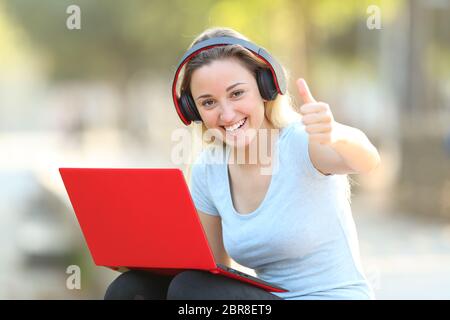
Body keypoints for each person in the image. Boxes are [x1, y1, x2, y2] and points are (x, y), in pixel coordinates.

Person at [104, 27, 380, 300]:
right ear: (193, 110)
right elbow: (210, 272)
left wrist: (335, 134)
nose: (226, 113)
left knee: (191, 289)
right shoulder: (208, 170)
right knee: (130, 290)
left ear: (265, 87)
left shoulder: (301, 142)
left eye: (236, 94)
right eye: (209, 102)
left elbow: (368, 160)